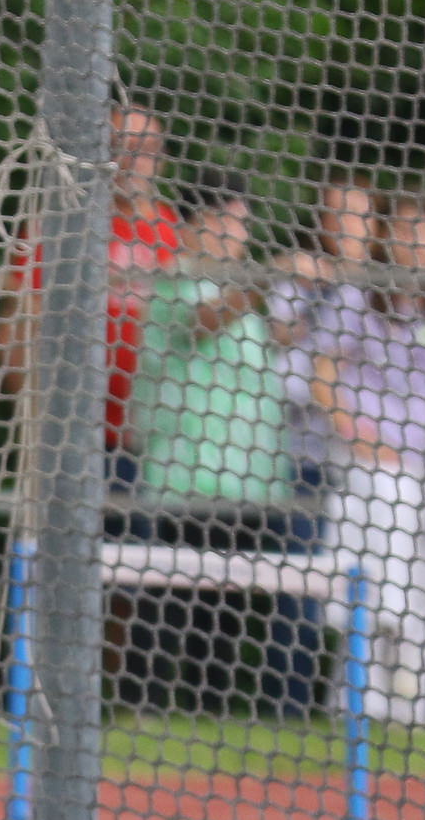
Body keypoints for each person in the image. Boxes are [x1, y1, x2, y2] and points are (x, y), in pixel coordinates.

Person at [288, 184, 425, 725]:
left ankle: (404, 708)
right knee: (376, 553)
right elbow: (321, 372)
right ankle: (368, 682)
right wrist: (358, 433)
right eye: (403, 228)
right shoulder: (358, 295)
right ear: (385, 237)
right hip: (363, 464)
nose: (415, 239)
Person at [112, 173, 307, 714]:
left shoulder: (240, 297)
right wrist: (272, 276)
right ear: (192, 227)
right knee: (166, 609)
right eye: (223, 221)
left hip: (250, 484)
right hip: (186, 481)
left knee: (225, 619)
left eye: (241, 223)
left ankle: (210, 721)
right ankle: (140, 713)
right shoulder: (175, 282)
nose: (235, 235)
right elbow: (206, 321)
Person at [0, 99, 182, 502]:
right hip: (73, 430)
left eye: (147, 149)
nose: (135, 161)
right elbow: (16, 328)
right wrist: (36, 419)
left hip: (159, 436)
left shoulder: (171, 230)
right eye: (124, 147)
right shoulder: (60, 225)